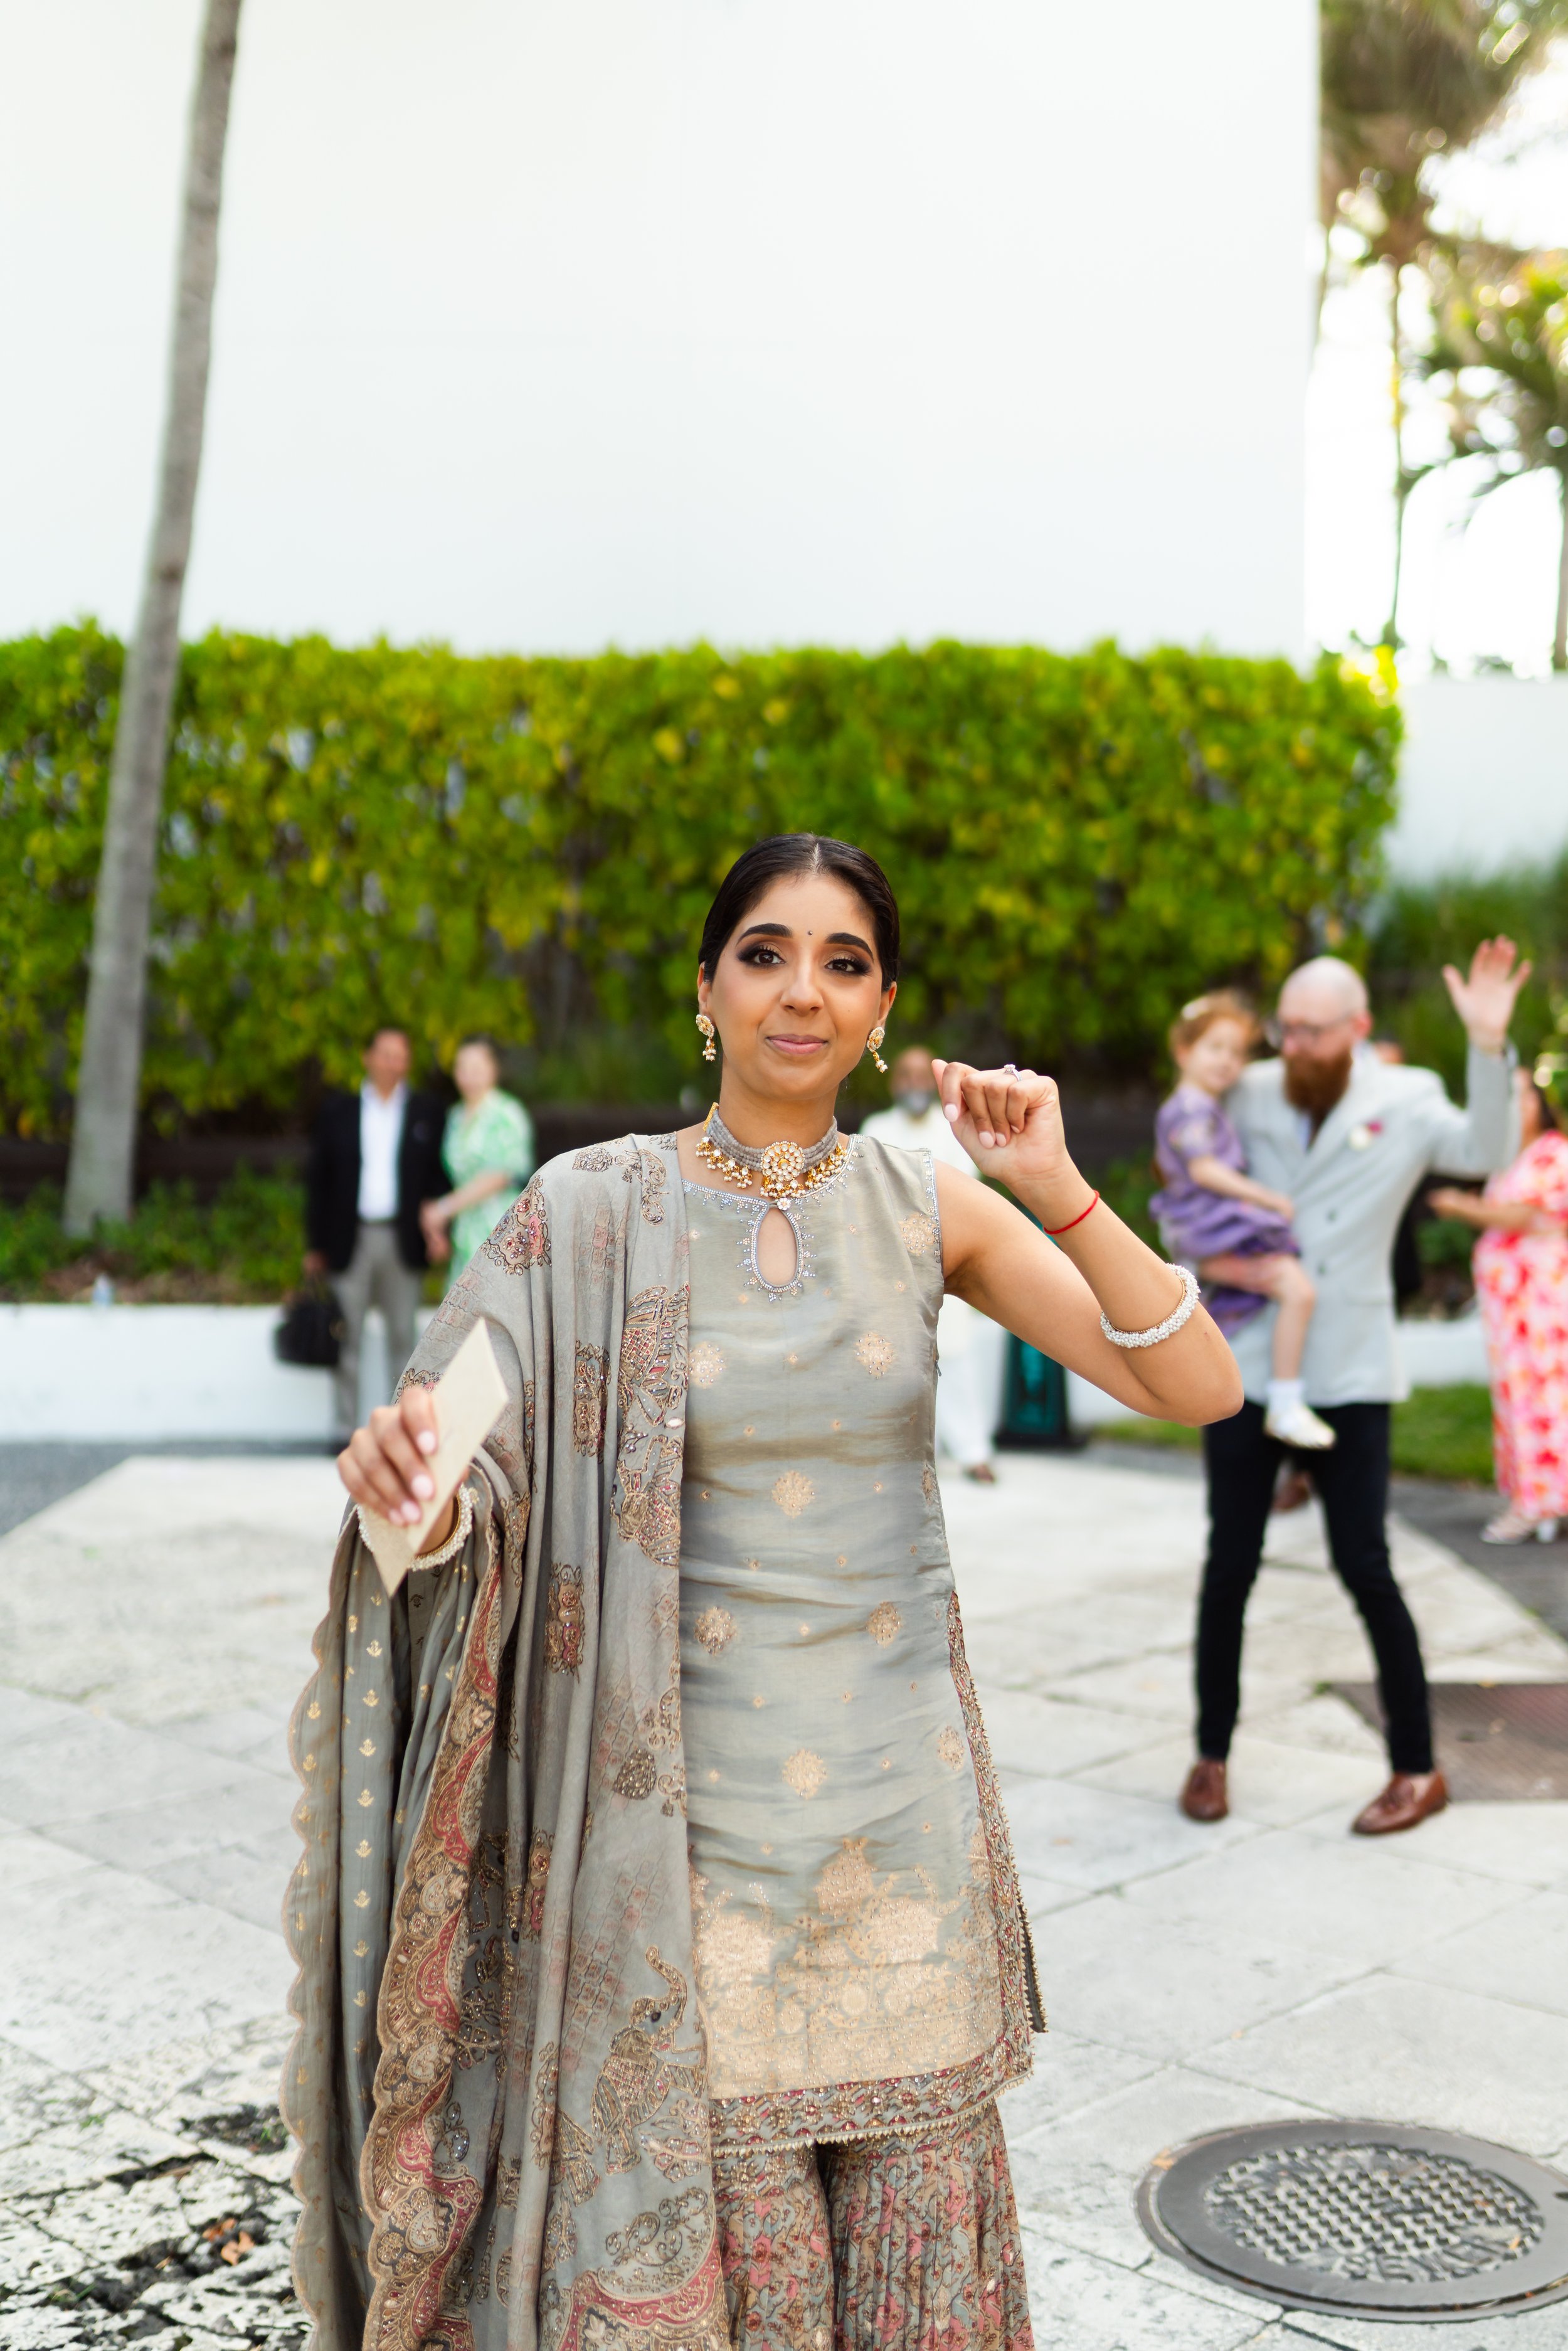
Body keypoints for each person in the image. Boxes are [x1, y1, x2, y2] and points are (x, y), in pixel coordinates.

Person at [288, 833, 1241, 2351]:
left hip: (905, 1838)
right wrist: (415, 1493)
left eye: (844, 961)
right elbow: (459, 1483)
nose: (803, 988)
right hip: (687, 1866)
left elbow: (1196, 1381)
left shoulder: (932, 1203)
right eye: (767, 952)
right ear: (707, 990)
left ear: (882, 1010)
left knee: (922, 2285)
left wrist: (1052, 1181)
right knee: (753, 2299)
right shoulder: (587, 1211)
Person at [1180, 945, 1527, 1837]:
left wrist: (1489, 1044)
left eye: (1311, 1031)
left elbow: (1487, 1149)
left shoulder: (1406, 1102)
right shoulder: (1250, 1090)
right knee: (1230, 1567)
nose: (1292, 1046)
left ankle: (1418, 1768)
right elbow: (1185, 1178)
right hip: (1251, 1363)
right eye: (1284, 1029)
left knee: (1364, 1565)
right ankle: (1210, 1756)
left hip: (1350, 1370)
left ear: (1358, 1029)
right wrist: (1205, 1260)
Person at [1152, 992, 1336, 1451]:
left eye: (1236, 1053)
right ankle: (1285, 1399)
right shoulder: (1191, 1109)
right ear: (1184, 1051)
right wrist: (1268, 1198)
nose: (1228, 1062)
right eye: (1215, 1048)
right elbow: (1204, 1169)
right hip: (1212, 1224)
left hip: (1207, 1228)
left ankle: (1273, 1397)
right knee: (1297, 1290)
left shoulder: (1201, 1105)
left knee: (1278, 1293)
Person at [1430, 1063, 1568, 1546]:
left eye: (1524, 1096)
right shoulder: (1509, 1159)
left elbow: (1520, 1215)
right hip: (1512, 1307)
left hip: (1544, 1304)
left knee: (1546, 1397)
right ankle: (1537, 1498)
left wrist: (1460, 1205)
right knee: (1519, 1395)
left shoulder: (1553, 1153)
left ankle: (1540, 1502)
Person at [862, 1043, 1009, 1480]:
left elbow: (965, 1191)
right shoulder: (876, 1127)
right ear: (895, 1082)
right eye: (905, 1075)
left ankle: (972, 1453)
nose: (913, 1083)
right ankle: (894, 1456)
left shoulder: (952, 1129)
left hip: (945, 1254)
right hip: (887, 1258)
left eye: (921, 1076)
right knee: (888, 1356)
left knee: (957, 1353)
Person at [303, 1026, 446, 1439]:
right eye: (385, 1054)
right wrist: (316, 1244)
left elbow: (435, 1176)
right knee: (346, 1334)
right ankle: (343, 1427)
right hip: (352, 1237)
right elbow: (320, 1180)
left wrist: (436, 1226)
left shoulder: (425, 1111)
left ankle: (402, 1432)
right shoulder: (339, 1110)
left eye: (401, 1055)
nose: (393, 1063)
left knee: (404, 1335)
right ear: (368, 1057)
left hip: (401, 1238)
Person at [420, 1035, 535, 1283]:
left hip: (500, 1226)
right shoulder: (455, 1117)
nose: (469, 1077)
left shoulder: (507, 1114)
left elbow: (501, 1175)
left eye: (476, 1069)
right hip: (465, 1230)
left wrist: (445, 1208)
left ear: (493, 1070)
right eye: (462, 1069)